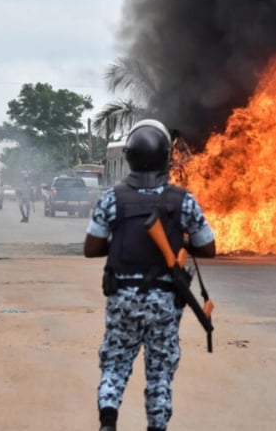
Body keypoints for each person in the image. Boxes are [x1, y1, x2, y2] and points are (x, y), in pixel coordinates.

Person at [83, 119, 216, 431]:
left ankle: (108, 419)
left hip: (122, 299)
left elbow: (91, 247)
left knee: (115, 364)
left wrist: (120, 242)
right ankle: (156, 426)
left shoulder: (112, 199)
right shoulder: (183, 200)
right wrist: (180, 240)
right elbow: (208, 247)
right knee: (159, 374)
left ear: (128, 157)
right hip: (165, 303)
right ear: (166, 160)